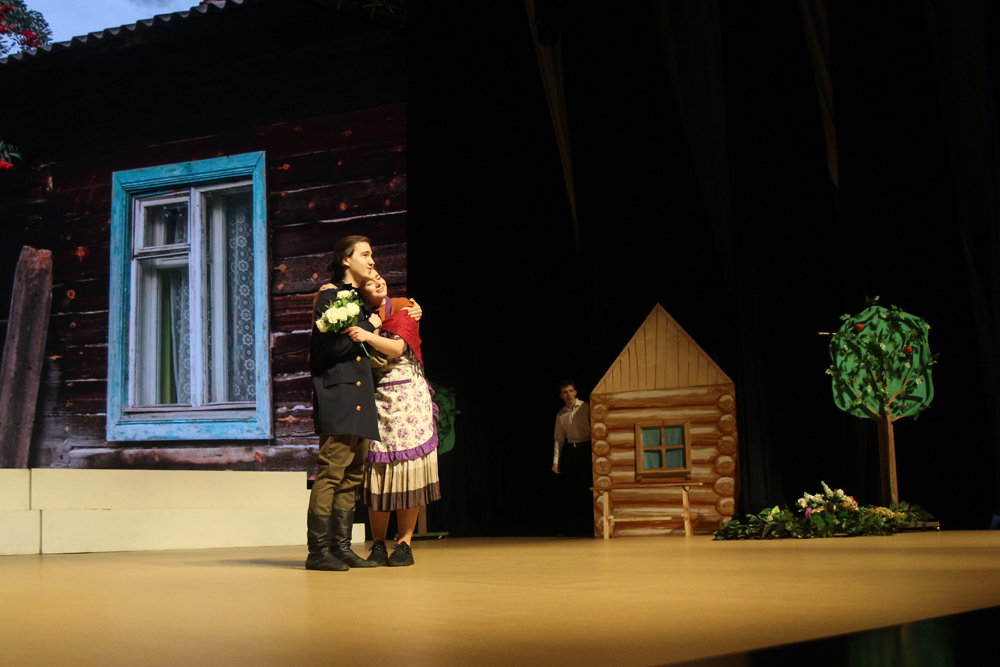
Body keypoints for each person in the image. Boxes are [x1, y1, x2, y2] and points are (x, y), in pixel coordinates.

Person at [345, 270, 440, 566]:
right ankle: (377, 544)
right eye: (370, 281)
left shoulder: (402, 305)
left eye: (379, 277)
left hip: (408, 398)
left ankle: (404, 544)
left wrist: (367, 335)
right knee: (379, 473)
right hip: (378, 399)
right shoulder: (360, 315)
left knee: (408, 472)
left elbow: (398, 347)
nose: (378, 282)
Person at [305, 235, 382, 571]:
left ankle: (341, 547)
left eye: (372, 255)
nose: (371, 261)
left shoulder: (361, 301)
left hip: (360, 394)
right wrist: (370, 324)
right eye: (365, 254)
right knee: (332, 471)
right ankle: (318, 551)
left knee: (352, 475)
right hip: (339, 393)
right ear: (345, 259)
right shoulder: (330, 296)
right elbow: (335, 348)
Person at [552, 380, 593, 537]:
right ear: (561, 395)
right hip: (572, 451)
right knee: (572, 491)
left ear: (575, 392)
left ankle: (590, 528)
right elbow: (559, 439)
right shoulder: (561, 414)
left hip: (587, 448)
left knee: (587, 488)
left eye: (571, 391)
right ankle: (572, 529)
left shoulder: (586, 407)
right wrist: (556, 461)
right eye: (565, 392)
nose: (568, 394)